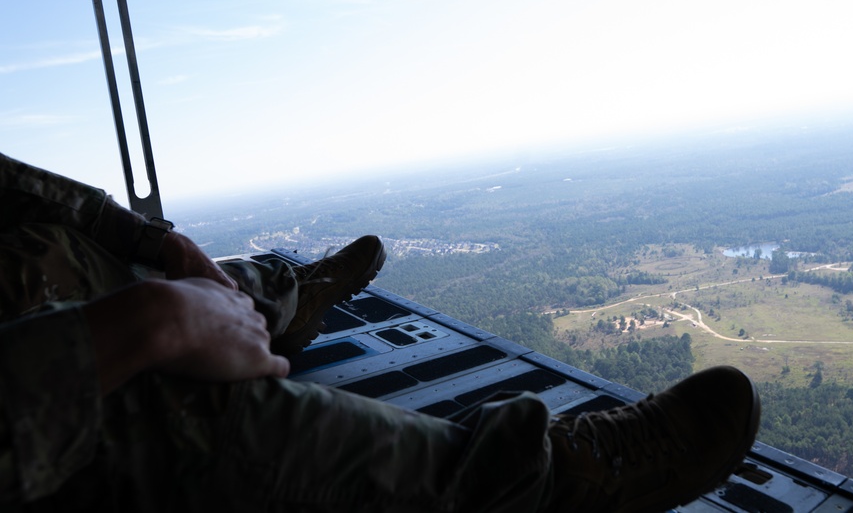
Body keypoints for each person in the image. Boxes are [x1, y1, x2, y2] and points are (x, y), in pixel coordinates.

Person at [0, 152, 761, 512]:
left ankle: (283, 302)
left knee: (209, 278)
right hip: (36, 400)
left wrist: (152, 243)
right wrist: (142, 326)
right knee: (195, 419)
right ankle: (551, 481)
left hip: (43, 284)